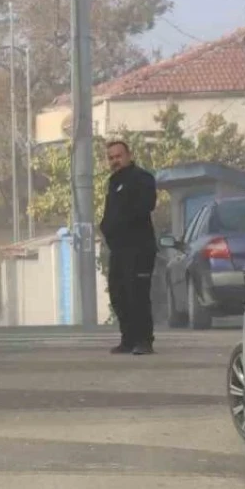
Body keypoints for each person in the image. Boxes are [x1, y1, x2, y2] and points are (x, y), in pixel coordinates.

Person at [99, 139, 158, 356]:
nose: (115, 161)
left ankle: (144, 340)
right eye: (111, 158)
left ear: (129, 155)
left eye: (119, 156)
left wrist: (122, 221)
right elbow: (110, 213)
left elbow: (146, 205)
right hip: (119, 250)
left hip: (140, 248)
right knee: (119, 294)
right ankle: (128, 339)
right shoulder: (113, 182)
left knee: (138, 294)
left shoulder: (142, 178)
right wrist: (106, 228)